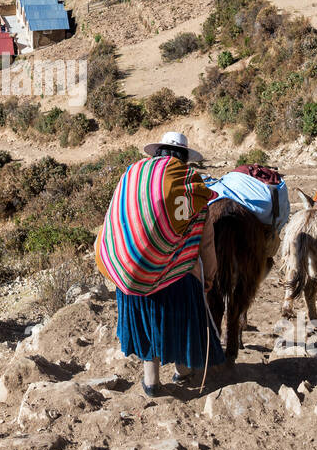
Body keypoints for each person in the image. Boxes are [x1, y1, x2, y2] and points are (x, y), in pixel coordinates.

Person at [95, 131, 225, 397]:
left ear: (158, 153)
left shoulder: (133, 176)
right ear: (185, 159)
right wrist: (209, 275)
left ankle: (151, 380)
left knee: (146, 315)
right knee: (183, 302)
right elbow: (206, 242)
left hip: (129, 268)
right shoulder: (192, 186)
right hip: (174, 277)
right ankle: (183, 369)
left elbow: (119, 215)